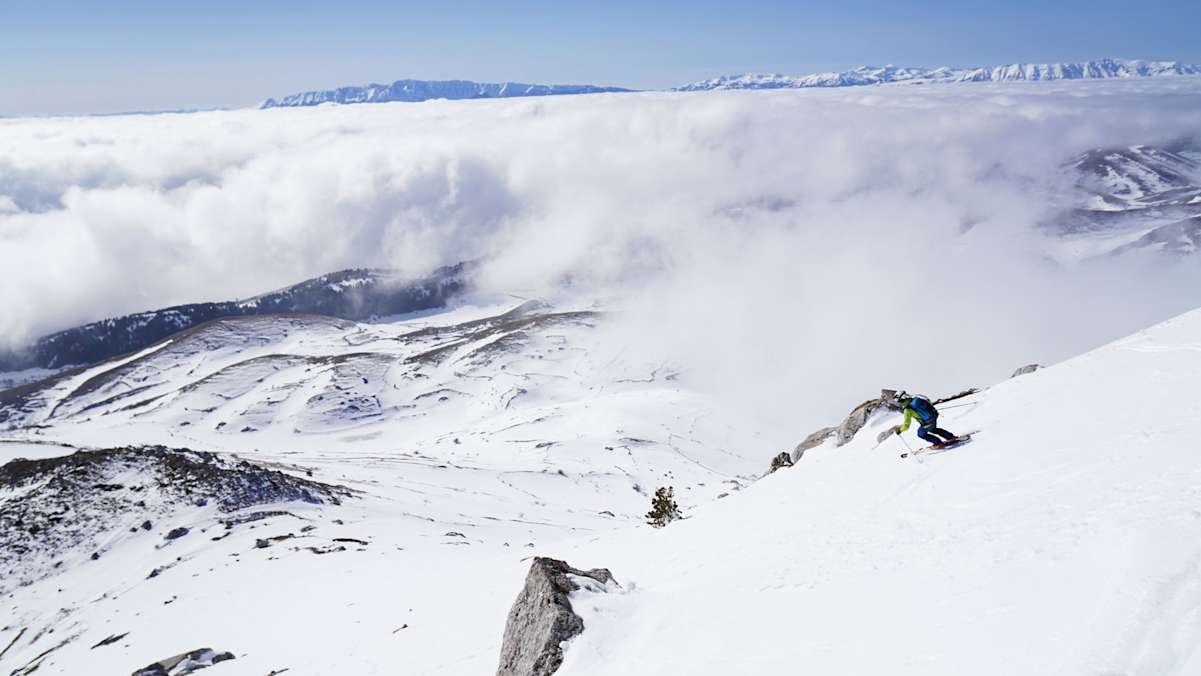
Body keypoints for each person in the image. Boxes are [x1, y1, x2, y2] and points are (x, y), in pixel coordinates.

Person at [894, 391, 959, 448]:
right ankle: (950, 437)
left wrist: (900, 430)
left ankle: (938, 443)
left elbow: (906, 425)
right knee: (933, 429)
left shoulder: (907, 410)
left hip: (927, 422)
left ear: (901, 400)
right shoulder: (917, 399)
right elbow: (928, 401)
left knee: (921, 433)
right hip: (934, 416)